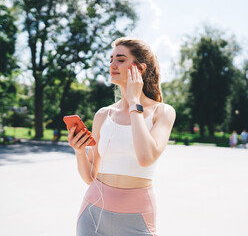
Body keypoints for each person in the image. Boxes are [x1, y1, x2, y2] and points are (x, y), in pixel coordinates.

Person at [67, 37, 176, 236]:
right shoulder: (103, 115)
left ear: (139, 69)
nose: (112, 65)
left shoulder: (163, 112)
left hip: (137, 218)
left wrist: (135, 102)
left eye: (120, 59)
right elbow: (90, 177)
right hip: (92, 215)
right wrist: (80, 152)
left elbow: (145, 157)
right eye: (111, 60)